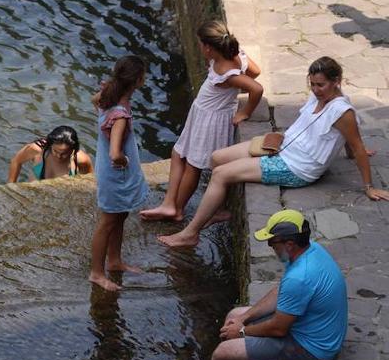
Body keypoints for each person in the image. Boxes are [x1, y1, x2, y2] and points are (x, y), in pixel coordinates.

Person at [159, 56, 389, 248]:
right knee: (217, 158)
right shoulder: (319, 97)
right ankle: (219, 210)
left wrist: (369, 186)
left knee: (221, 174)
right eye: (313, 84)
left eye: (321, 85)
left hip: (297, 167)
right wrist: (348, 153)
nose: (316, 90)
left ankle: (190, 233)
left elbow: (356, 143)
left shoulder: (342, 111)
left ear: (337, 81)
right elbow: (348, 142)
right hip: (283, 146)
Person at [177, 210, 347, 360]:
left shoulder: (300, 277)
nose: (271, 248)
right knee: (234, 316)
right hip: (310, 327)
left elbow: (278, 329)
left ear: (289, 244)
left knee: (223, 353)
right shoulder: (312, 250)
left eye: (272, 243)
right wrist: (243, 318)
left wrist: (241, 332)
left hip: (312, 349)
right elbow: (282, 291)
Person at [142, 21, 262, 222]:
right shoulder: (236, 55)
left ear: (209, 48)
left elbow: (256, 88)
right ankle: (169, 203)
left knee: (193, 164)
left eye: (200, 45)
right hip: (202, 113)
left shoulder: (227, 73)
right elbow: (255, 71)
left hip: (211, 118)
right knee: (178, 152)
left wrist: (245, 112)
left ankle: (177, 208)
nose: (199, 49)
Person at [90, 56, 149, 292]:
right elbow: (115, 153)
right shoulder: (120, 117)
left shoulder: (108, 96)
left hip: (108, 172)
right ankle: (96, 273)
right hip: (116, 176)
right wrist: (125, 160)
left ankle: (114, 261)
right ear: (138, 80)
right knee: (107, 221)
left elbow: (96, 101)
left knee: (120, 216)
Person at [6, 125, 94, 183]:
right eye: (55, 151)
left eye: (64, 153)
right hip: (34, 193)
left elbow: (90, 181)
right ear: (50, 145)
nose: (59, 156)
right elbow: (16, 161)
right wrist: (11, 186)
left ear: (72, 150)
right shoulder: (37, 150)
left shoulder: (81, 159)